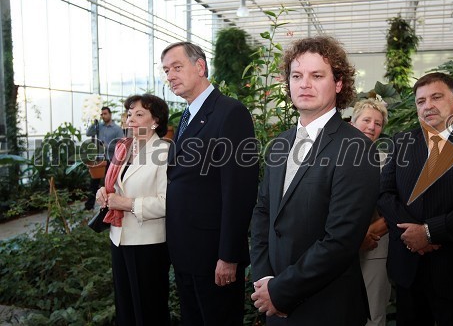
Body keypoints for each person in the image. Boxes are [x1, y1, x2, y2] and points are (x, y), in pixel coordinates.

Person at [250, 36, 380, 326]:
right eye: (297, 76)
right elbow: (263, 213)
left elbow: (341, 240)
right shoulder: (280, 144)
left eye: (316, 75)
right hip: (274, 302)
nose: (304, 84)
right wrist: (265, 279)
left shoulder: (356, 147)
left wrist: (282, 291)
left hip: (326, 307)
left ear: (338, 84)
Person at [378, 72, 453, 326]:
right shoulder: (401, 142)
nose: (428, 105)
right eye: (421, 101)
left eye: (436, 97)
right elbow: (384, 193)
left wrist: (429, 232)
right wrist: (412, 234)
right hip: (409, 270)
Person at [161, 42, 259, 326]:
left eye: (177, 67)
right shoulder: (186, 116)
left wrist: (228, 256)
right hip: (185, 251)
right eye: (167, 70)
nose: (170, 76)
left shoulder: (230, 113)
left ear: (200, 67)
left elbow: (239, 190)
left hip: (214, 255)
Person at [96, 94, 171, 326]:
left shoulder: (164, 151)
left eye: (140, 114)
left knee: (148, 310)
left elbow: (167, 202)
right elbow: (115, 185)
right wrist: (103, 193)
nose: (132, 119)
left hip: (148, 243)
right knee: (126, 308)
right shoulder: (123, 149)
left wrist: (126, 204)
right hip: (119, 238)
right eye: (130, 114)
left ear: (155, 121)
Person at [350, 99, 391, 326]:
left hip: (374, 248)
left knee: (373, 315)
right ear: (353, 122)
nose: (371, 127)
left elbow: (395, 208)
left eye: (378, 123)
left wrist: (365, 236)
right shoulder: (333, 158)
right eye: (366, 120)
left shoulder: (387, 163)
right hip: (334, 250)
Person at [84, 107, 124, 210]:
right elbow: (88, 133)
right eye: (102, 114)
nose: (103, 116)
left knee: (109, 184)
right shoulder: (99, 127)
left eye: (105, 113)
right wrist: (94, 122)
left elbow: (122, 145)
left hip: (111, 160)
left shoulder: (117, 129)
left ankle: (108, 207)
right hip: (100, 159)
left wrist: (107, 146)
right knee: (94, 183)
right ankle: (89, 206)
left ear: (110, 114)